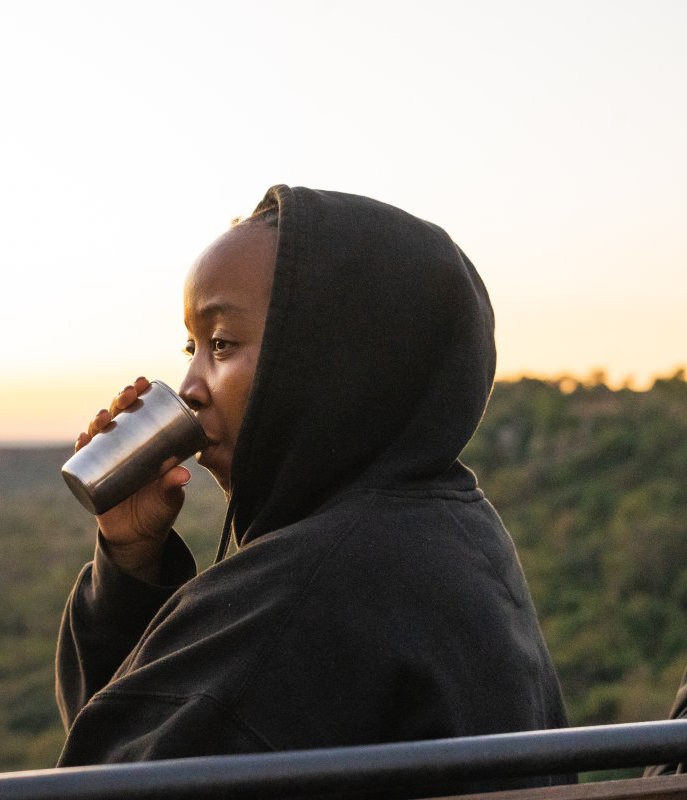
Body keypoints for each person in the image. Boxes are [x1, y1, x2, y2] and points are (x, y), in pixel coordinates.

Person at [55, 185, 572, 794]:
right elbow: (135, 735)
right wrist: (130, 559)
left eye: (221, 344)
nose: (190, 386)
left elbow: (96, 783)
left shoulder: (311, 591)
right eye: (191, 348)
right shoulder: (451, 527)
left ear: (333, 360)